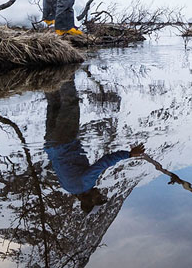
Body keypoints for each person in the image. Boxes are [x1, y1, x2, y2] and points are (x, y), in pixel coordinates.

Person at [44, 77, 143, 213]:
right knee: (54, 104)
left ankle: (65, 72)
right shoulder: (69, 188)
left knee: (70, 104)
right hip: (51, 144)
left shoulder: (85, 184)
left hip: (65, 140)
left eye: (99, 198)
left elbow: (103, 162)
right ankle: (46, 77)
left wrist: (130, 154)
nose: (100, 194)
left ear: (90, 201)